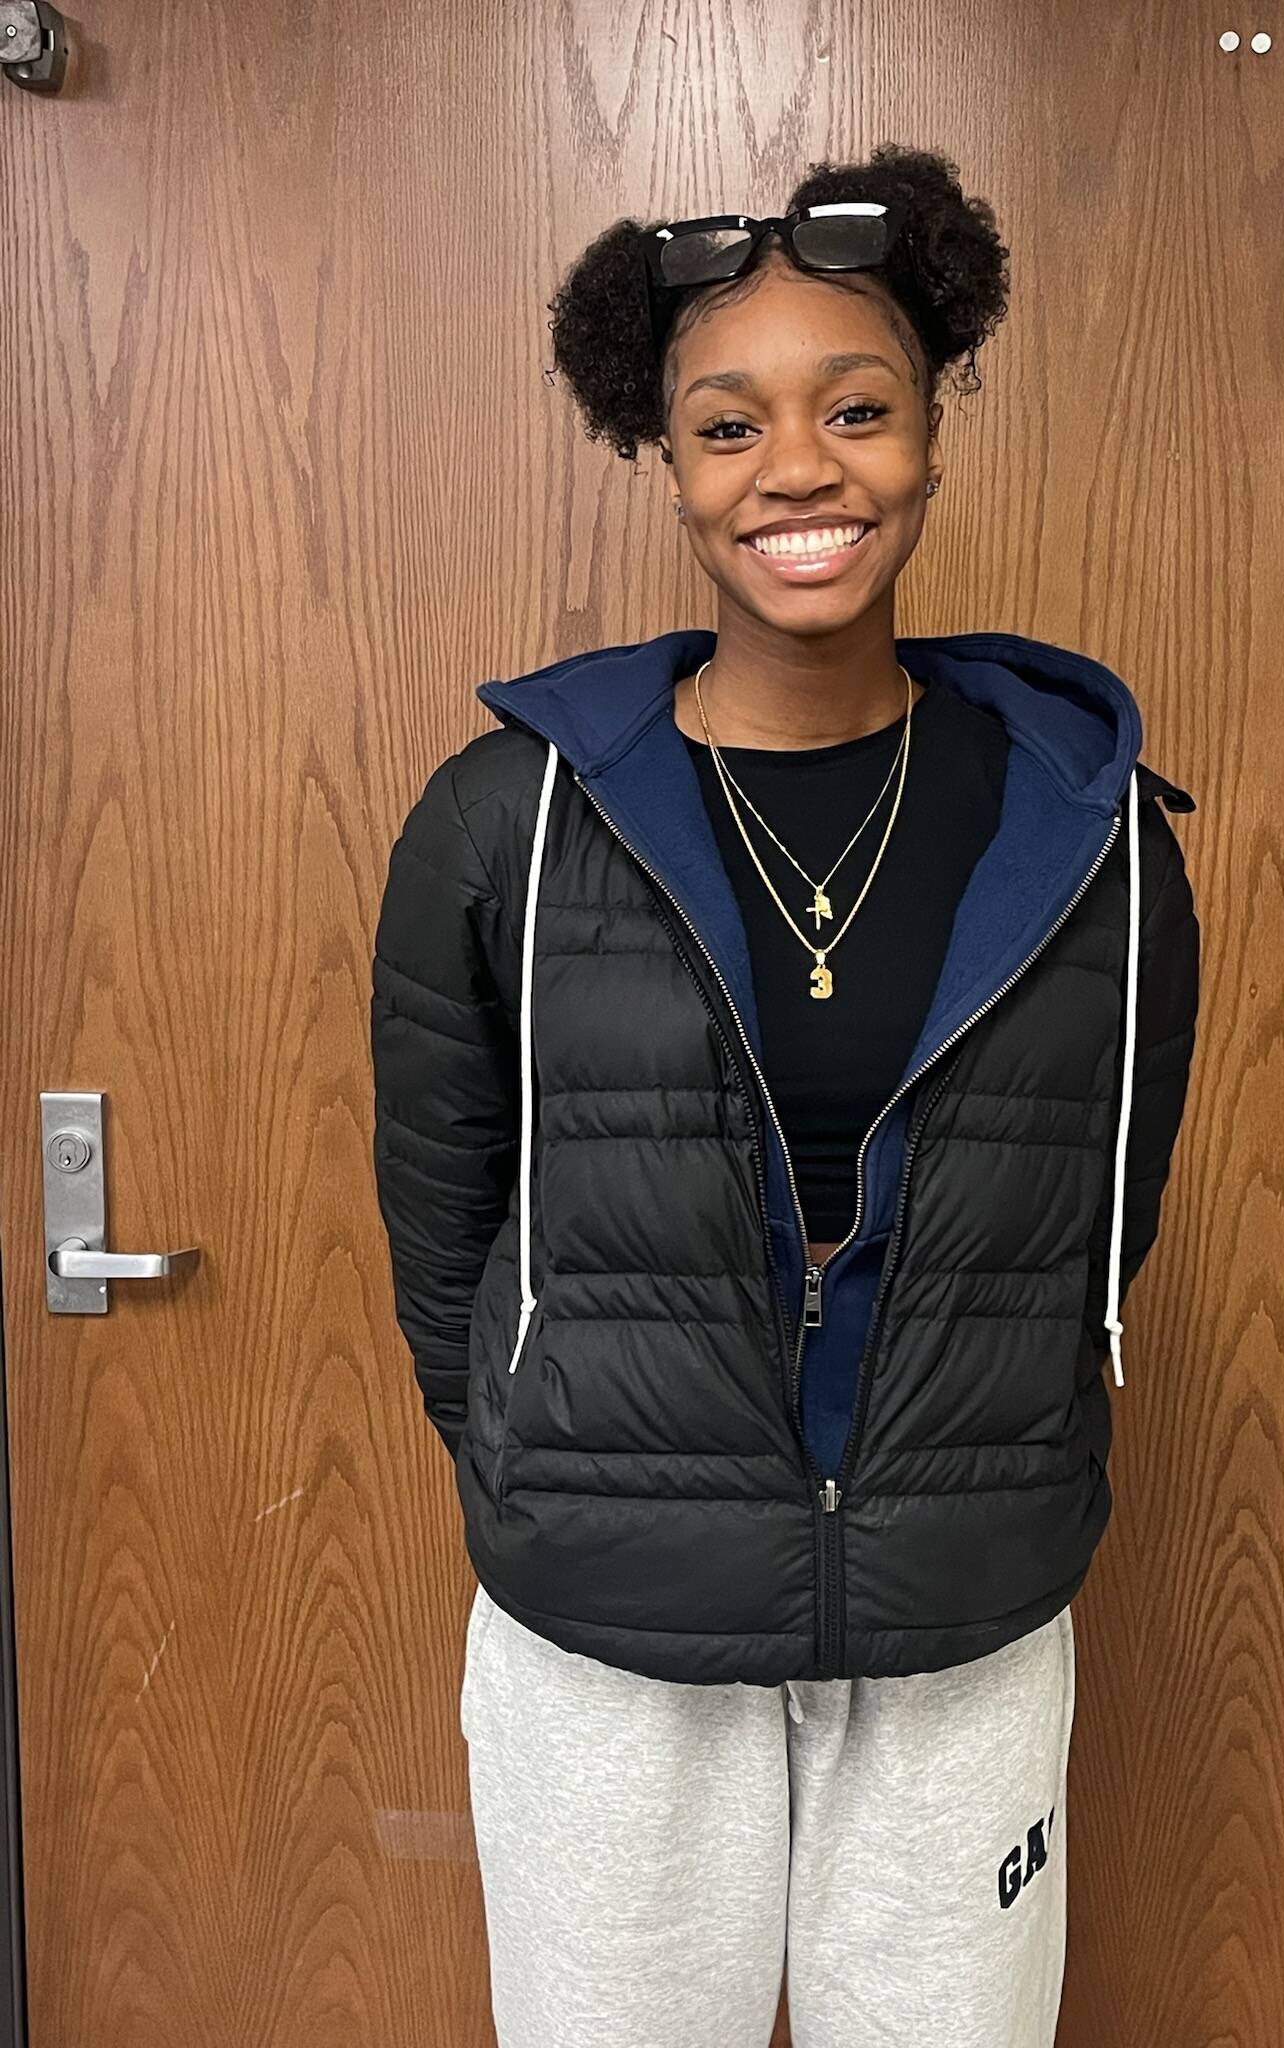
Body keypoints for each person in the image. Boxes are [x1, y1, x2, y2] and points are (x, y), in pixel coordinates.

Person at [368, 142, 1200, 2048]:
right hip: (610, 1626)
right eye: (728, 425)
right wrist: (543, 1459)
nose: (799, 470)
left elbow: (1103, 1207)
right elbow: (444, 1214)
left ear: (932, 435)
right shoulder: (507, 818)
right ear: (668, 463)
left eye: (857, 410)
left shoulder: (1090, 830)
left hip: (962, 1623)